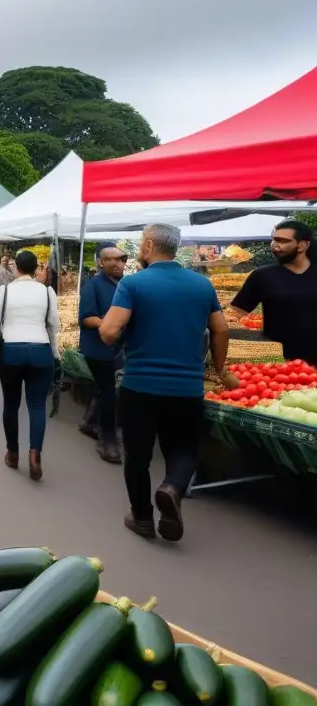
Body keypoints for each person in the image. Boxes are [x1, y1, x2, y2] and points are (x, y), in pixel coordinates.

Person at [100, 224, 234, 542]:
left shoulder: (133, 284)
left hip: (140, 386)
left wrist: (123, 329)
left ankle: (143, 518)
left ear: (148, 245)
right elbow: (222, 330)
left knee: (137, 456)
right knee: (184, 448)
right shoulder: (202, 285)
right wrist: (218, 368)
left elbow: (108, 332)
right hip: (186, 389)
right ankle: (172, 487)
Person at [0, 250, 61, 481]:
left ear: (15, 267)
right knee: (37, 404)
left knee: (11, 403)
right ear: (35, 269)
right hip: (40, 350)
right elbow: (54, 325)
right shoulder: (48, 292)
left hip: (11, 350)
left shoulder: (5, 290)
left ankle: (12, 452)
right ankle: (35, 454)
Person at [229, 220, 316, 365]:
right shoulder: (262, 276)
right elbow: (236, 313)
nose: (275, 245)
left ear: (302, 245)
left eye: (282, 241)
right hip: (278, 363)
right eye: (274, 240)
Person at [78, 242, 127, 464]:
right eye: (112, 259)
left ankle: (89, 423)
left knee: (107, 387)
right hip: (98, 348)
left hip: (120, 347)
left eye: (121, 259)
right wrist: (111, 325)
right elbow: (87, 318)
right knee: (110, 393)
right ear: (100, 262)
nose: (118, 263)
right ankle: (107, 441)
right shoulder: (93, 285)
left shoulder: (125, 284)